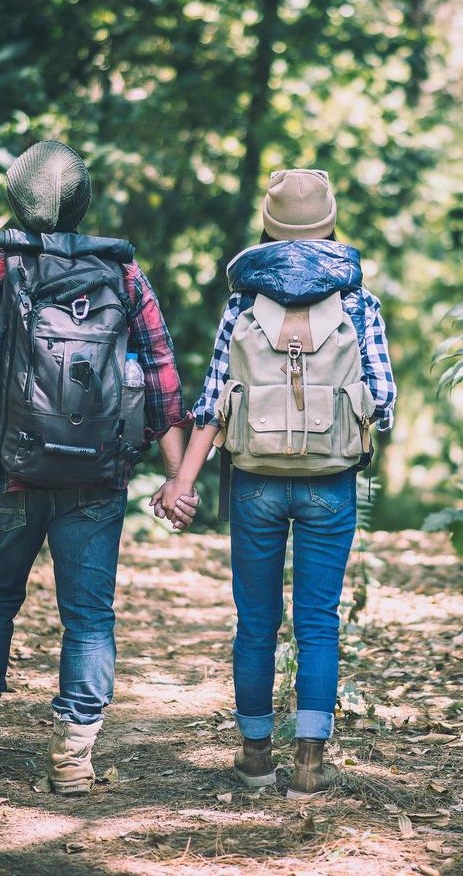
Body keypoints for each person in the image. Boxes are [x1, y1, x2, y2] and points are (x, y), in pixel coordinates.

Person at [0, 141, 196, 794]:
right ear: (83, 203)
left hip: (4, 467)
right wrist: (177, 476)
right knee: (89, 617)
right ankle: (72, 763)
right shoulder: (122, 273)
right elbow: (161, 378)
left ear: (15, 199)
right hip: (95, 476)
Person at [163, 168, 395, 799]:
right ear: (331, 226)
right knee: (319, 620)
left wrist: (182, 482)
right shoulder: (357, 303)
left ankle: (255, 755)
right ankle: (311, 765)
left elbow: (213, 403)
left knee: (256, 622)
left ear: (267, 229)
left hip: (255, 482)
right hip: (331, 482)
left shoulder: (242, 304)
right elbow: (384, 401)